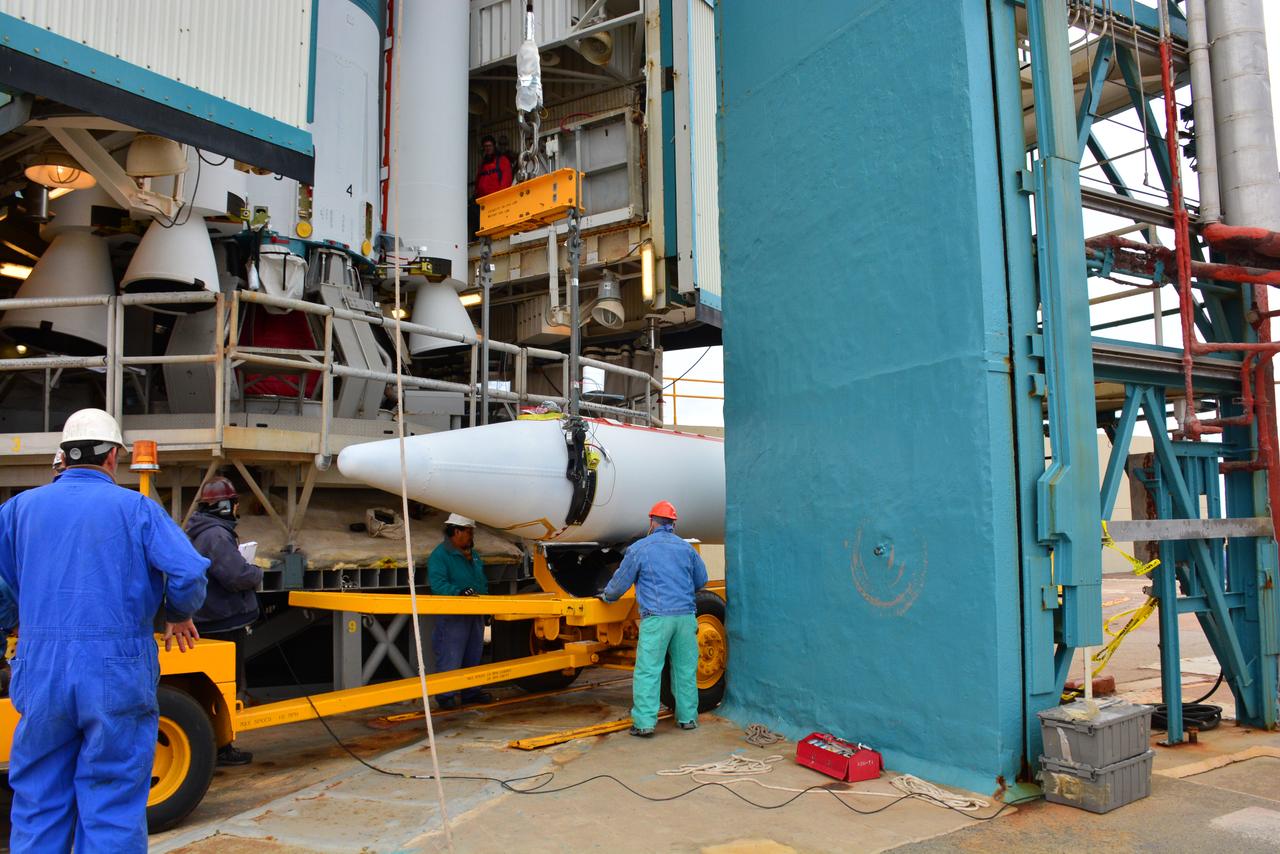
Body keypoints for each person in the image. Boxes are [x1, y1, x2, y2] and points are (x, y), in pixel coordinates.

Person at [0, 408, 209, 852]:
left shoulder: (18, 509)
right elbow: (189, 571)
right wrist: (177, 612)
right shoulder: (137, 509)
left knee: (39, 796)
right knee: (112, 796)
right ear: (113, 456)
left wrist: (14, 619)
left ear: (63, 456)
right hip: (116, 668)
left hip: (41, 666)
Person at [598, 500, 708, 737]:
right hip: (685, 618)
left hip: (657, 619)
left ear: (651, 522)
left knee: (649, 670)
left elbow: (620, 583)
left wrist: (607, 597)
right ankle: (688, 718)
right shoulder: (686, 549)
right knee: (685, 670)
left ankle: (644, 723)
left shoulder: (640, 548)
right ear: (673, 524)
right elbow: (702, 580)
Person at [185, 475, 262, 766]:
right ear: (226, 506)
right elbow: (236, 576)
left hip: (205, 618)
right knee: (226, 687)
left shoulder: (198, 531)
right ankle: (222, 747)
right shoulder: (216, 535)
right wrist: (255, 572)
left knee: (208, 688)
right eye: (234, 503)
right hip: (223, 621)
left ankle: (213, 745)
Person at [427, 513, 492, 709]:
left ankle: (470, 692)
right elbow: (438, 585)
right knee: (450, 654)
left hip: (474, 612)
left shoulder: (473, 555)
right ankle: (445, 695)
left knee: (473, 653)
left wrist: (487, 607)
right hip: (453, 614)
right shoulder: (440, 555)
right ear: (457, 531)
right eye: (469, 532)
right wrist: (458, 592)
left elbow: (480, 581)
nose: (472, 536)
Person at [470, 134, 514, 234]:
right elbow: (478, 182)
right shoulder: (482, 164)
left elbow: (506, 180)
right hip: (483, 203)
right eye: (485, 146)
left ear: (494, 146)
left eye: (489, 146)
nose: (488, 148)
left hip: (496, 201)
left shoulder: (502, 161)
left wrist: (500, 197)